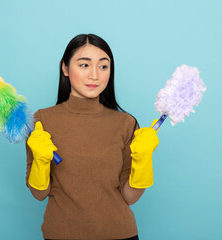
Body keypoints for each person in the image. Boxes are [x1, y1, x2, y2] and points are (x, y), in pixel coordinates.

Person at [25, 33, 159, 240]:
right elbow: (39, 194)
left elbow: (129, 197)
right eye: (84, 65)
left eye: (103, 66)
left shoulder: (126, 123)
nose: (95, 75)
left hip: (121, 234)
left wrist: (143, 163)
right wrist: (41, 163)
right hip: (60, 234)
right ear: (65, 68)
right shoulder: (42, 121)